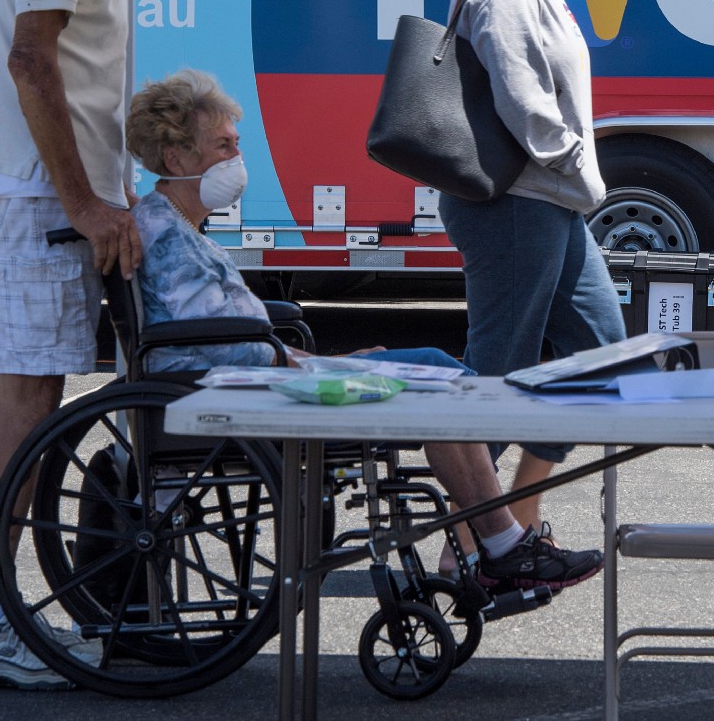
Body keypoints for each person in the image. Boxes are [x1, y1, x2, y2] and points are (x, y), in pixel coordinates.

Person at [124, 68, 603, 595]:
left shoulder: (177, 227)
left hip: (254, 379)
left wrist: (328, 361)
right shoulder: (166, 235)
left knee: (437, 371)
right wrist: (321, 364)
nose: (236, 159)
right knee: (439, 377)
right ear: (175, 158)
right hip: (237, 397)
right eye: (221, 146)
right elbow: (221, 346)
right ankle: (502, 544)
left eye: (236, 144)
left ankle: (499, 542)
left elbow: (222, 336)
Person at [0, 0, 143, 690]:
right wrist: (84, 203)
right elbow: (31, 60)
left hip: (29, 184)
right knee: (28, 386)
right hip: (41, 191)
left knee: (16, 381)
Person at [435, 0, 626, 541]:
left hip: (549, 201)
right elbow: (523, 98)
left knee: (602, 358)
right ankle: (474, 544)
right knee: (496, 380)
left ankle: (515, 516)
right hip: (520, 200)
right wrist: (578, 165)